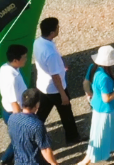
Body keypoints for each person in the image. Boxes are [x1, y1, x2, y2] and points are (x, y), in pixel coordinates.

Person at [33, 17, 81, 146]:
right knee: (66, 113)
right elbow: (55, 76)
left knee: (41, 113)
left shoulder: (38, 42)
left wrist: (60, 67)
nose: (59, 28)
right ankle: (72, 137)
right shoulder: (51, 53)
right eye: (57, 27)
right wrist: (63, 94)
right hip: (55, 89)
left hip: (43, 85)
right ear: (52, 32)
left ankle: (31, 134)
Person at [83, 45, 114, 164]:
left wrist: (90, 95)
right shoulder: (105, 78)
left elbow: (86, 83)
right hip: (105, 110)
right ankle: (87, 159)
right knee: (98, 135)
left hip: (97, 106)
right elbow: (106, 98)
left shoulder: (93, 68)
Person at [8, 89, 60, 165]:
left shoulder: (12, 118)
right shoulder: (37, 125)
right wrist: (54, 163)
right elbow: (45, 149)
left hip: (19, 161)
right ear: (37, 105)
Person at [0, 44, 30, 165]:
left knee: (18, 137)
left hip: (7, 109)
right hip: (13, 112)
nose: (26, 59)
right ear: (16, 60)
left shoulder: (5, 67)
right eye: (24, 57)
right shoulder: (11, 78)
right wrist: (21, 119)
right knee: (19, 137)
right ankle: (6, 160)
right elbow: (14, 103)